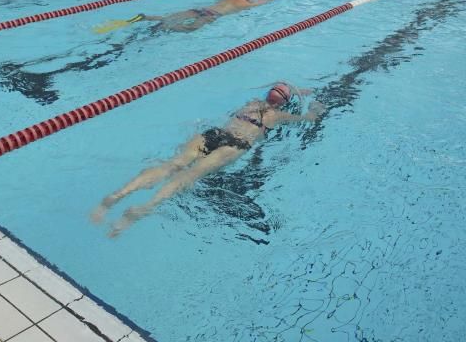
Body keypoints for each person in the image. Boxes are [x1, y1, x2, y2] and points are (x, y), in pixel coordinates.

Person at [91, 82, 326, 236]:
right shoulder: (279, 116)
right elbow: (310, 118)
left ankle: (116, 195)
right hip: (235, 145)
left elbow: (275, 88)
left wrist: (290, 90)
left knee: (172, 165)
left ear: (267, 94)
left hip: (215, 133)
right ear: (284, 103)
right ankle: (144, 208)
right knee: (189, 175)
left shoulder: (251, 102)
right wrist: (314, 106)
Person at [140, 0, 279, 32]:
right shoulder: (245, 4)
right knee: (190, 29)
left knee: (167, 17)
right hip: (211, 16)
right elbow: (263, 2)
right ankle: (168, 27)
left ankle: (146, 17)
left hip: (201, 10)